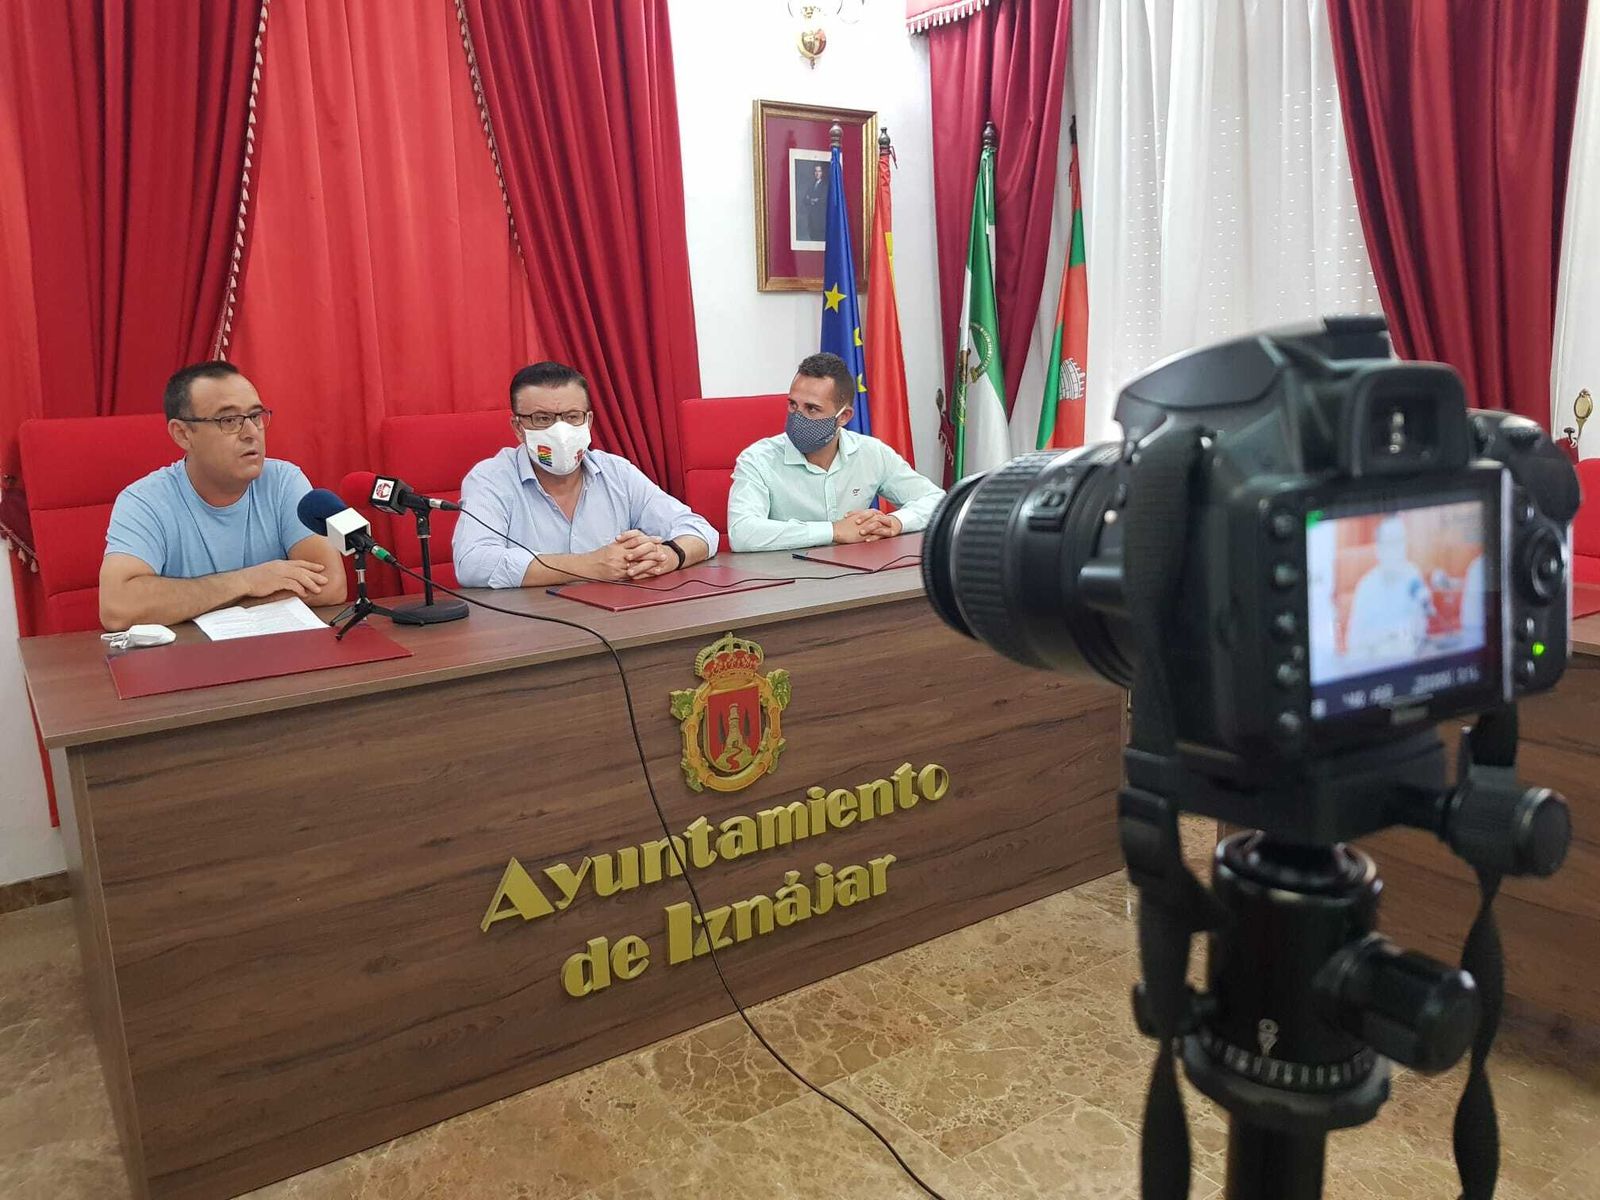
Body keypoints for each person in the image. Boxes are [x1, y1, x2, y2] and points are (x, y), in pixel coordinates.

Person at [99, 362, 346, 630]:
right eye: (229, 421)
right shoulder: (144, 501)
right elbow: (117, 608)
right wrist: (246, 581)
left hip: (276, 654)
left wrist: (201, 604)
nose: (251, 432)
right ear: (182, 434)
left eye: (255, 416)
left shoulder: (284, 481)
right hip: (186, 661)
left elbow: (330, 584)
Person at [452, 361, 717, 588]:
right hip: (529, 630)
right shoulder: (490, 478)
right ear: (518, 427)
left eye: (571, 417)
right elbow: (473, 562)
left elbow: (701, 530)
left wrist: (667, 556)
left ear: (588, 421)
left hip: (614, 623)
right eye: (542, 418)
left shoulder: (617, 472)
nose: (560, 430)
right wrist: (587, 565)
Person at [726, 352, 944, 552]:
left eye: (811, 409)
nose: (797, 417)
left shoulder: (870, 452)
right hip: (787, 580)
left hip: (856, 573)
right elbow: (742, 533)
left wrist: (896, 522)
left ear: (844, 417)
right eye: (793, 405)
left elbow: (935, 500)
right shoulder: (757, 459)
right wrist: (834, 531)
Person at [1344, 516, 1434, 666]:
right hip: (1375, 665)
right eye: (1392, 543)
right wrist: (1390, 635)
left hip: (1408, 663)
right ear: (1378, 549)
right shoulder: (1366, 586)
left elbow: (1421, 629)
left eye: (1402, 542)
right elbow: (1353, 643)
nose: (1399, 550)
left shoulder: (1413, 574)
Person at [801, 162, 828, 242]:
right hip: (812, 219)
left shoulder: (825, 185)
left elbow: (822, 200)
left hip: (820, 219)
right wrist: (812, 200)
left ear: (822, 173)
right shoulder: (811, 185)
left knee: (820, 240)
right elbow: (805, 200)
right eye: (816, 171)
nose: (817, 173)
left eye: (819, 171)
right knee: (812, 237)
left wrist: (811, 199)